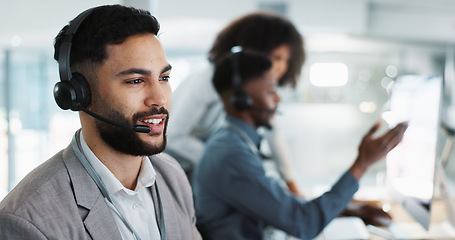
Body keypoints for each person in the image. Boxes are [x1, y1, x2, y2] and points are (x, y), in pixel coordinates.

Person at [0, 5, 201, 240]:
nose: (160, 98)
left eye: (164, 78)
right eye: (136, 81)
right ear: (80, 95)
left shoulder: (171, 176)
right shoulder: (29, 220)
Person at [192, 50, 408, 240]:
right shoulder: (231, 154)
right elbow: (304, 224)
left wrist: (344, 208)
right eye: (270, 91)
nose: (278, 99)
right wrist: (362, 163)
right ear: (241, 99)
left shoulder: (233, 142)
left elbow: (283, 207)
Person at [166, 11, 304, 194]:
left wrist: (292, 185)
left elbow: (274, 136)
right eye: (277, 58)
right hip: (173, 173)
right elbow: (173, 136)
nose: (281, 68)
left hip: (204, 171)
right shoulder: (206, 80)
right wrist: (222, 160)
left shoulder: (253, 92)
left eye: (286, 60)